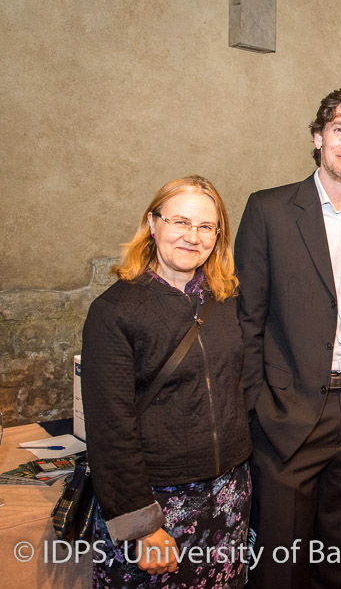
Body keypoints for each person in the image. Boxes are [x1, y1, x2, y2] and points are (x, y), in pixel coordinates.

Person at [235, 88, 341, 588]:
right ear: (318, 138)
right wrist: (256, 406)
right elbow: (247, 319)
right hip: (289, 415)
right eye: (338, 129)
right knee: (280, 567)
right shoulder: (269, 210)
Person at [81, 176, 252, 587]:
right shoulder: (115, 311)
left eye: (206, 226)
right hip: (157, 503)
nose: (193, 237)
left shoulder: (225, 300)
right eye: (180, 222)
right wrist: (142, 525)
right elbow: (109, 429)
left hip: (227, 497)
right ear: (152, 224)